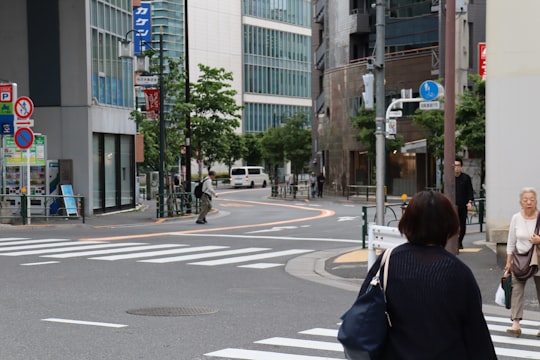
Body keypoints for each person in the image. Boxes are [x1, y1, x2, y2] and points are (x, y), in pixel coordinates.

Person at [354, 191, 496, 359]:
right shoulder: (459, 273)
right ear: (449, 225)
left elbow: (362, 311)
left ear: (408, 222)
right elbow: (477, 338)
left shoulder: (387, 262)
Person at [505, 187, 540, 337]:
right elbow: (511, 242)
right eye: (525, 200)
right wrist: (508, 262)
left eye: (532, 199)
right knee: (516, 290)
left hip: (538, 259)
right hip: (520, 259)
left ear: (536, 201)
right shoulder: (516, 218)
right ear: (520, 202)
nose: (529, 202)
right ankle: (516, 323)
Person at [455, 158, 474, 249]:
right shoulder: (449, 178)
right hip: (452, 206)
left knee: (462, 224)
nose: (456, 168)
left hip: (462, 204)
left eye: (458, 166)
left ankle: (459, 242)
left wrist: (470, 202)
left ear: (461, 167)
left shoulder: (466, 178)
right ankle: (453, 242)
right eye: (455, 166)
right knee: (453, 224)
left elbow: (470, 191)